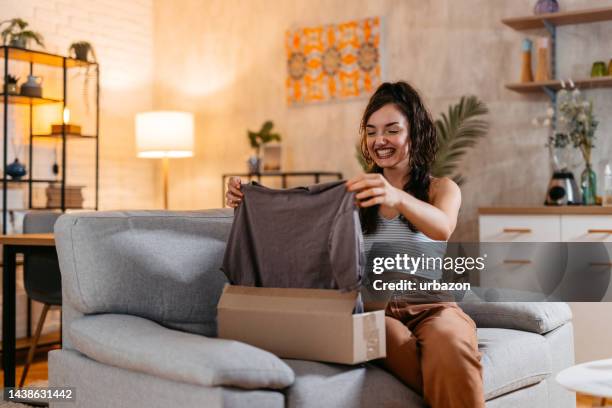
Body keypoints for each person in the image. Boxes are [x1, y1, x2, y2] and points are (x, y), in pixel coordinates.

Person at [225, 81, 485, 408]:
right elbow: (298, 215)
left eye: (391, 130)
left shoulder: (441, 189)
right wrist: (248, 199)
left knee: (450, 341)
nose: (380, 141)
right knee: (393, 340)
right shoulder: (354, 193)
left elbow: (443, 228)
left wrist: (396, 196)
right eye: (372, 131)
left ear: (415, 133)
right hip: (372, 305)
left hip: (431, 305)